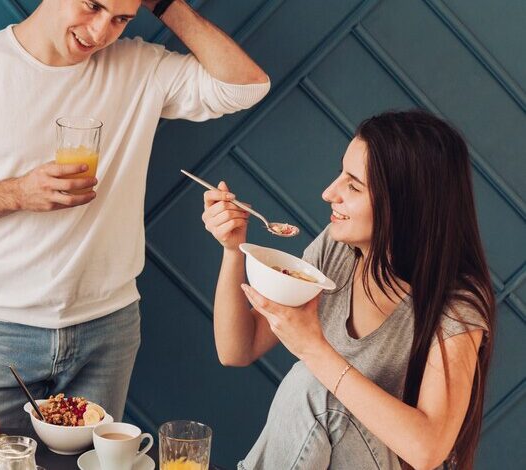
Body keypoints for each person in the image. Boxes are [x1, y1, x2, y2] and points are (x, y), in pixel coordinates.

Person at [0, 0, 269, 428]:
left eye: (121, 19)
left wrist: (164, 4)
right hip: (2, 334)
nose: (98, 32)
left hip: (109, 332)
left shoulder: (139, 67)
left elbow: (246, 86)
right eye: (92, 6)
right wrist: (19, 193)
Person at [201, 110, 494, 469]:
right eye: (341, 174)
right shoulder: (337, 251)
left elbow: (427, 450)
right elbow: (237, 349)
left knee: (314, 387)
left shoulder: (457, 306)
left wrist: (314, 349)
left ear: (405, 204)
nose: (329, 193)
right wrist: (234, 249)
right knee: (313, 384)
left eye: (353, 186)